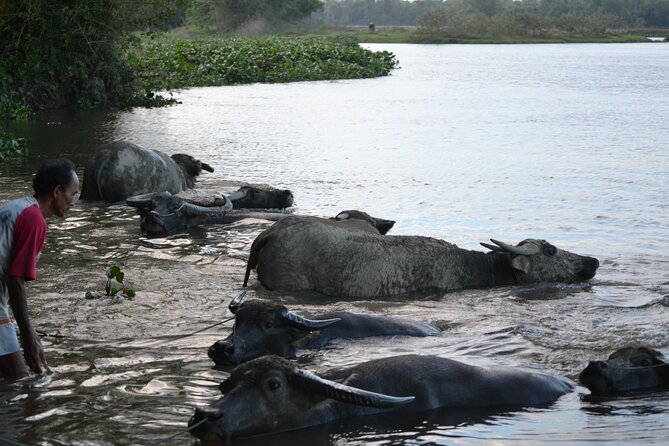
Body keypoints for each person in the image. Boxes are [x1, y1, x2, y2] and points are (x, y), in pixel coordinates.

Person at [0, 159, 79, 380]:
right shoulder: (34, 220)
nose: (73, 201)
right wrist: (28, 337)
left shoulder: (15, 208)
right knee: (20, 380)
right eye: (72, 194)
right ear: (56, 191)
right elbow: (15, 279)